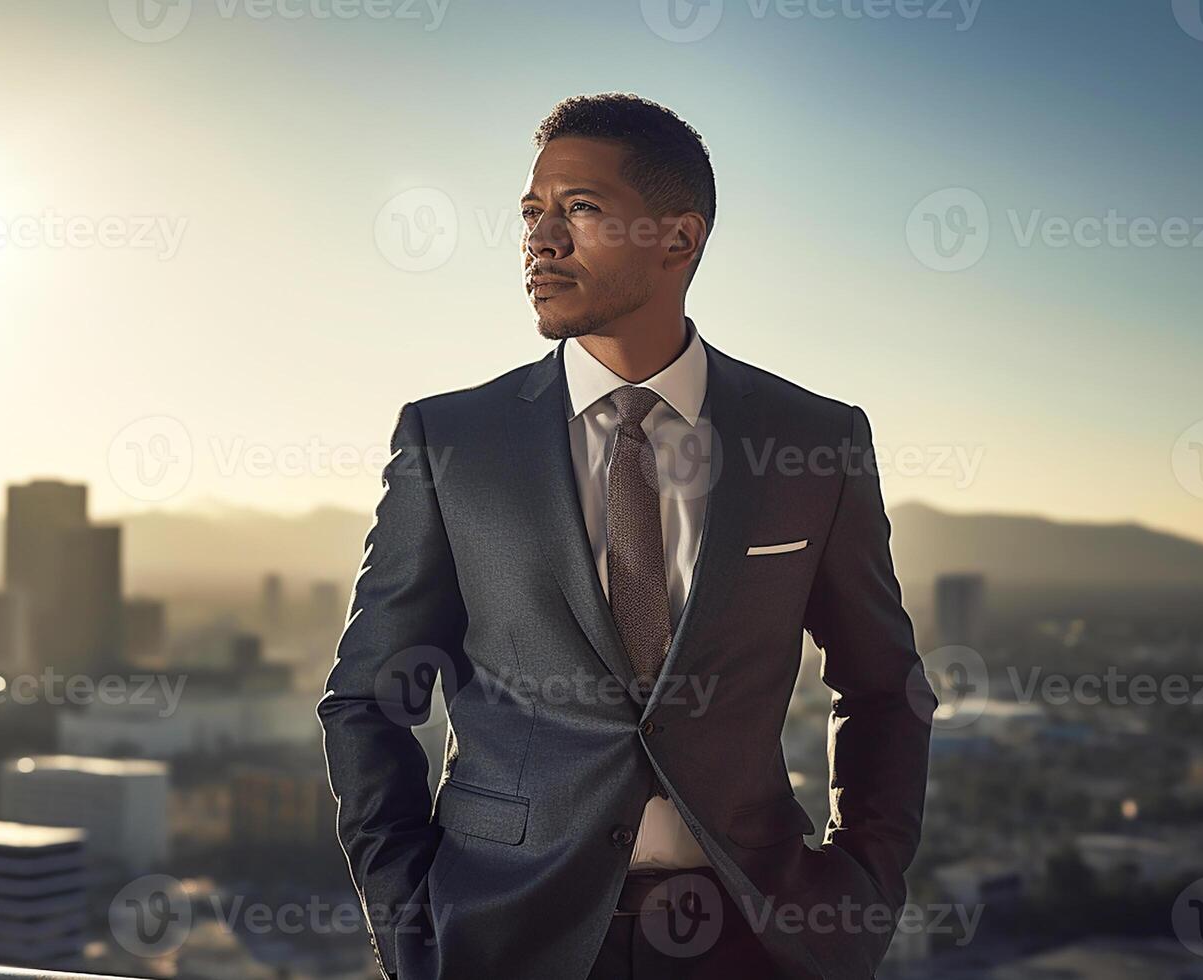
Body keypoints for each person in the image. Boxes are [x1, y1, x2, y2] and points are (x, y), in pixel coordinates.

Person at [317, 92, 937, 980]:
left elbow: (884, 691)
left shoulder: (813, 440)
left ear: (679, 240)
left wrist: (859, 896)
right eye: (532, 212)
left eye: (581, 209)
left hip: (755, 940)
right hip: (505, 938)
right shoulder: (452, 440)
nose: (541, 239)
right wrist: (413, 926)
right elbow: (366, 699)